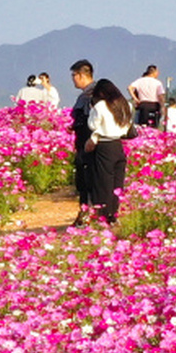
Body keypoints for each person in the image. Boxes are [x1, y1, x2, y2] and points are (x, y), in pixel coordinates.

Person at [85, 80, 134, 224]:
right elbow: (127, 126)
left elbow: (93, 125)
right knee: (117, 182)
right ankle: (114, 213)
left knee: (104, 182)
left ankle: (104, 215)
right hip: (118, 146)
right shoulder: (126, 105)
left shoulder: (100, 106)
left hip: (104, 146)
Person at [68, 60, 98, 227]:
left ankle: (85, 213)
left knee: (85, 181)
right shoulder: (95, 93)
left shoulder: (88, 96)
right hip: (89, 143)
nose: (73, 79)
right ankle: (87, 213)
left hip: (86, 145)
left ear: (80, 75)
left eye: (74, 75)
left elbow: (87, 121)